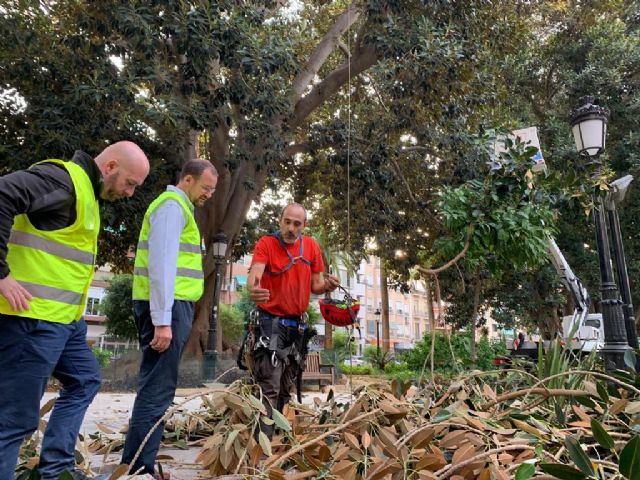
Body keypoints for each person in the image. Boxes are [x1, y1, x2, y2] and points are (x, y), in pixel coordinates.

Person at [0, 141, 150, 480]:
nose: (129, 193)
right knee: (12, 422)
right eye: (130, 183)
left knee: (84, 379)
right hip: (32, 320)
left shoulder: (86, 194)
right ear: (110, 166)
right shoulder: (62, 181)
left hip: (65, 321)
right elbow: (2, 194)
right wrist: (1, 274)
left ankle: (56, 468)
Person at [121, 159, 218, 477]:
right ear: (187, 179)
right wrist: (163, 321)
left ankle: (134, 464)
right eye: (205, 187)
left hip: (171, 307)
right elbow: (161, 265)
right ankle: (139, 468)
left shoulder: (179, 209)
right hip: (167, 308)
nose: (208, 195)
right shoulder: (172, 207)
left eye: (212, 190)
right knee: (158, 388)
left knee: (156, 384)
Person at [247, 203, 339, 439]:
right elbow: (255, 276)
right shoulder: (266, 244)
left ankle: (277, 439)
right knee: (270, 385)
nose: (290, 227)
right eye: (287, 221)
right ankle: (261, 446)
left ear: (304, 226)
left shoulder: (310, 247)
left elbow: (316, 286)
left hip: (296, 328)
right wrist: (254, 289)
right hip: (270, 324)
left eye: (296, 223)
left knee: (286, 386)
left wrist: (328, 285)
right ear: (280, 220)